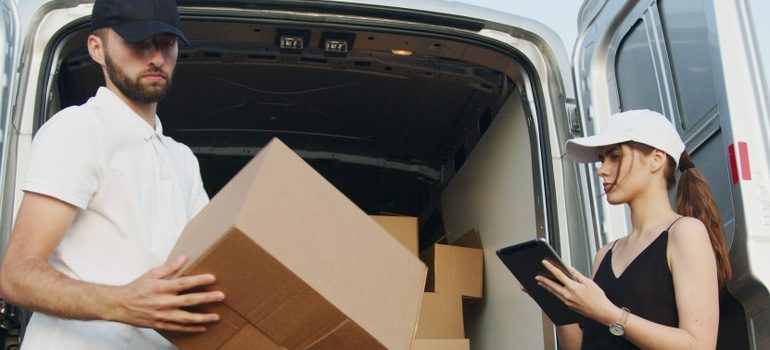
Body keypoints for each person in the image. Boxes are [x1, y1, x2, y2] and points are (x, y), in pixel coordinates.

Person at [0, 0, 225, 348]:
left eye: (166, 44)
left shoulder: (181, 158)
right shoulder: (79, 129)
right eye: (138, 43)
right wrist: (123, 302)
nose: (155, 58)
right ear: (97, 48)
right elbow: (15, 275)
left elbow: (209, 269)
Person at [537, 109, 731, 349]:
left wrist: (609, 314)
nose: (601, 170)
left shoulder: (685, 232)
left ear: (657, 159)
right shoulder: (604, 254)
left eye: (615, 156)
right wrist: (554, 302)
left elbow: (699, 345)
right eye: (601, 159)